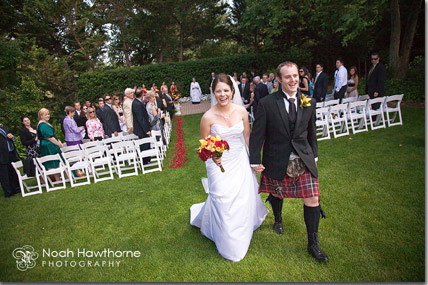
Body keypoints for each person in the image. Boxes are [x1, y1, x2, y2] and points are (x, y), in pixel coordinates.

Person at [249, 61, 328, 263]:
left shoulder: (308, 101)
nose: (292, 80)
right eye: (287, 77)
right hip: (276, 158)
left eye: (295, 76)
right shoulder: (267, 103)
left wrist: (315, 156)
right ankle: (278, 219)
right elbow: (258, 135)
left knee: (313, 198)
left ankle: (313, 244)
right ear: (279, 79)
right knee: (276, 193)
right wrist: (254, 161)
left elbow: (312, 132)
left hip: (304, 158)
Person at [190, 73, 268, 262]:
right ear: (213, 93)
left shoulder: (241, 112)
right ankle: (226, 240)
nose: (223, 94)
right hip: (219, 164)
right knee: (222, 198)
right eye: (218, 91)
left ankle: (241, 229)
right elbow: (204, 146)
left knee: (242, 197)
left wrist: (255, 160)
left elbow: (248, 137)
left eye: (226, 90)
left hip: (240, 159)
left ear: (232, 91)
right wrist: (212, 157)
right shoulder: (207, 117)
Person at [37, 108, 63, 180]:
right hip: (48, 145)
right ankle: (58, 179)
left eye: (48, 114)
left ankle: (60, 179)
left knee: (55, 161)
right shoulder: (43, 125)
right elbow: (50, 137)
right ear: (41, 116)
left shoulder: (44, 123)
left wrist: (58, 140)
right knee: (54, 161)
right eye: (46, 114)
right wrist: (58, 144)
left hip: (49, 143)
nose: (48, 116)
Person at [0, 122, 20, 198]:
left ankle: (16, 188)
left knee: (13, 171)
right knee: (4, 174)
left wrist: (12, 137)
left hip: (10, 152)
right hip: (2, 155)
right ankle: (8, 192)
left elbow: (12, 137)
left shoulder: (3, 127)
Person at [132, 88, 151, 164]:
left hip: (142, 127)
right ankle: (145, 160)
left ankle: (147, 159)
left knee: (146, 144)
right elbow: (140, 118)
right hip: (141, 129)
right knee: (144, 144)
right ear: (142, 94)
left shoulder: (137, 102)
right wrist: (146, 130)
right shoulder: (136, 104)